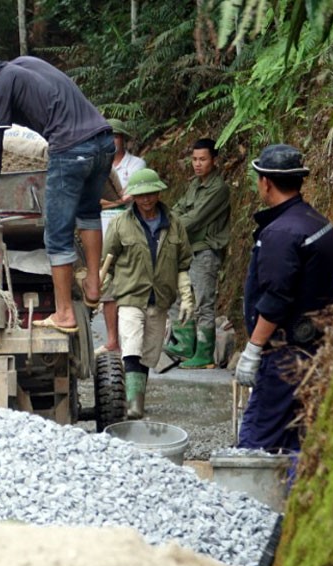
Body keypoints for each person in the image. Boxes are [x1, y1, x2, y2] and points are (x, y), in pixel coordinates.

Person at [0, 56, 114, 334]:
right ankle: (93, 286)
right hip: (103, 142)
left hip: (70, 149)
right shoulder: (24, 65)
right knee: (88, 213)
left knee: (57, 234)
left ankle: (63, 314)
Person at [235, 144, 333, 453]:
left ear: (265, 182)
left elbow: (275, 298)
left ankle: (249, 499)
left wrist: (254, 349)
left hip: (284, 352)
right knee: (295, 436)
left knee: (258, 439)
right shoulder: (319, 223)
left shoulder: (281, 233)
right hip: (314, 348)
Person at [102, 169, 194, 419]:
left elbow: (183, 263)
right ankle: (134, 406)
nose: (146, 200)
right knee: (131, 346)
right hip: (131, 296)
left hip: (160, 299)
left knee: (148, 352)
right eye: (141, 195)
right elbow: (107, 262)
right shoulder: (119, 224)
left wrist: (186, 296)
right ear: (133, 197)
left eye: (150, 194)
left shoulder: (174, 224)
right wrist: (99, 291)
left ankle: (137, 398)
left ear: (158, 192)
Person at [164, 138, 231, 369]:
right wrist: (169, 218)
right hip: (189, 250)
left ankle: (204, 354)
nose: (197, 164)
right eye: (194, 159)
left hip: (206, 252)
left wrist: (166, 224)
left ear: (214, 160)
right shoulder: (195, 185)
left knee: (204, 302)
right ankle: (183, 344)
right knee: (179, 296)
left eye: (203, 159)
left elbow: (194, 218)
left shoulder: (219, 189)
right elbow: (179, 208)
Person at [98, 119, 147, 355]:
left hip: (131, 229)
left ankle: (134, 340)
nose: (112, 141)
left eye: (116, 136)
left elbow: (133, 196)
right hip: (103, 230)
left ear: (124, 139)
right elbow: (93, 201)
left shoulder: (136, 164)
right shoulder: (97, 165)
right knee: (107, 284)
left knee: (131, 283)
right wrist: (118, 200)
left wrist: (111, 202)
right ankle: (111, 339)